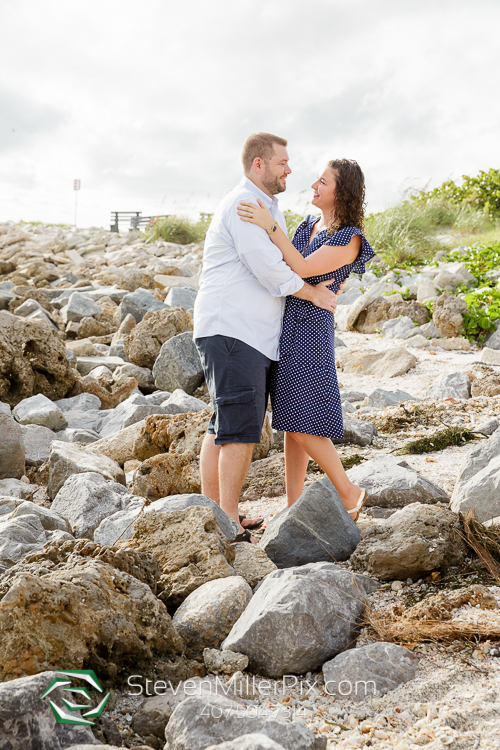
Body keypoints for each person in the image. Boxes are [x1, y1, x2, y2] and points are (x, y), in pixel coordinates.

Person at [193, 133, 339, 543]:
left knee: (222, 423)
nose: (289, 169)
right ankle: (228, 522)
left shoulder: (266, 207)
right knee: (241, 427)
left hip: (241, 331)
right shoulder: (245, 206)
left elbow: (285, 259)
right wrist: (313, 293)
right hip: (233, 329)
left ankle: (218, 515)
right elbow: (268, 269)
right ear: (259, 165)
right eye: (282, 163)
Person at [237, 158, 374, 520]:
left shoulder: (350, 237)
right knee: (289, 419)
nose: (313, 186)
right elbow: (284, 265)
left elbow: (299, 266)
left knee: (300, 419)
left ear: (341, 192)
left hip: (311, 329)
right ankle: (293, 504)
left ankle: (349, 490)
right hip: (285, 324)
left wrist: (268, 224)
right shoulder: (308, 224)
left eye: (322, 182)